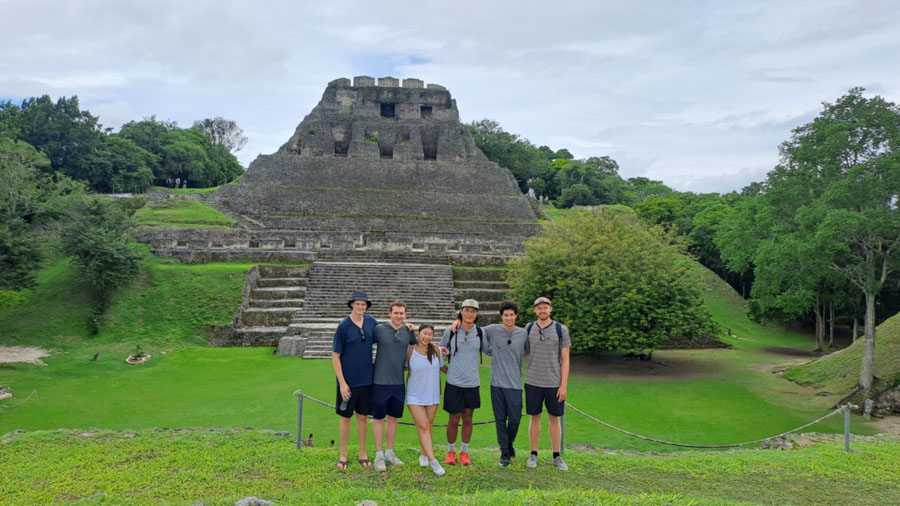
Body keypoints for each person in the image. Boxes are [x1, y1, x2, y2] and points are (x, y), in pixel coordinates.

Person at [450, 299, 527, 467]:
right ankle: (505, 453)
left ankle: (508, 444)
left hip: (515, 383)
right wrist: (457, 321)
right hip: (496, 383)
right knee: (500, 419)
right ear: (501, 316)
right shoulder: (491, 330)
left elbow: (527, 350)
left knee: (515, 419)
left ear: (516, 316)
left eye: (511, 315)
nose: (508, 318)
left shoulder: (523, 333)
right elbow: (471, 328)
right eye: (505, 315)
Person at [332, 290, 377, 470]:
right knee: (345, 418)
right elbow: (335, 356)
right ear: (352, 304)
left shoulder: (371, 322)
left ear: (366, 306)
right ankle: (343, 453)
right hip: (348, 383)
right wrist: (342, 382)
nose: (360, 306)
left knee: (362, 417)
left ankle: (363, 452)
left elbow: (387, 333)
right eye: (357, 303)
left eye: (363, 304)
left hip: (366, 380)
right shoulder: (344, 326)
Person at [524, 297, 571, 470]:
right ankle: (533, 454)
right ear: (535, 311)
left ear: (551, 309)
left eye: (545, 308)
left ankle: (556, 456)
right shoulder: (528, 328)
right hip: (533, 381)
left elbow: (565, 359)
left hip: (553, 383)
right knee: (534, 417)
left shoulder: (561, 329)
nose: (542, 311)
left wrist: (563, 385)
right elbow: (521, 351)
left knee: (554, 419)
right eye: (539, 308)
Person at [371, 301, 417, 472]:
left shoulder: (409, 332)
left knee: (393, 419)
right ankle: (379, 454)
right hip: (379, 382)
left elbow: (415, 349)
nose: (398, 316)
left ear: (405, 315)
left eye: (402, 313)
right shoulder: (379, 330)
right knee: (378, 419)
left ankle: (389, 452)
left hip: (398, 382)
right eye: (395, 313)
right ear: (390, 313)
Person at [438, 299, 485, 466]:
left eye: (473, 311)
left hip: (472, 383)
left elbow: (489, 349)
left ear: (477, 314)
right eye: (467, 310)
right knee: (453, 418)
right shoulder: (451, 331)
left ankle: (464, 452)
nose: (470, 313)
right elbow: (439, 350)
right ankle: (451, 451)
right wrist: (443, 368)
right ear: (461, 311)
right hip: (454, 382)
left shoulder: (480, 332)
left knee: (468, 418)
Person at [406, 323, 446, 477]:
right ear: (418, 334)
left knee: (428, 426)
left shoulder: (436, 350)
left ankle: (423, 454)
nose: (427, 337)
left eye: (430, 334)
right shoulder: (410, 350)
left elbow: (442, 368)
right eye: (424, 333)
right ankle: (433, 460)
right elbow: (403, 366)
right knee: (423, 426)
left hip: (433, 394)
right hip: (414, 395)